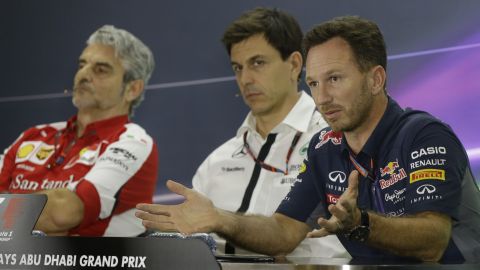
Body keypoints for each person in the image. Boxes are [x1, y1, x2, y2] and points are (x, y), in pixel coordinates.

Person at [136, 16, 480, 263]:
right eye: (314, 84)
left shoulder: (423, 135)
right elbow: (284, 232)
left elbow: (433, 241)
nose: (322, 97)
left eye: (335, 79)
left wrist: (359, 225)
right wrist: (219, 219)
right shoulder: (324, 147)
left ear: (375, 80)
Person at [191, 7, 348, 257]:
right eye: (238, 68)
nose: (245, 79)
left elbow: (287, 237)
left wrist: (219, 219)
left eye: (258, 63)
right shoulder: (216, 161)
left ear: (295, 64)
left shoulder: (333, 142)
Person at [0, 25, 158, 237]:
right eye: (82, 65)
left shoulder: (133, 142)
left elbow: (62, 213)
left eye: (100, 69)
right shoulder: (33, 135)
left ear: (132, 89)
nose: (83, 74)